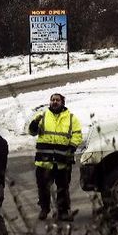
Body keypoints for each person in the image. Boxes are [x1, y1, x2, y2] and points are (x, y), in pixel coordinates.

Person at [28, 93, 83, 221]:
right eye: (52, 100)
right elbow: (32, 132)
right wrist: (35, 122)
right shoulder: (43, 116)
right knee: (43, 188)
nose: (54, 102)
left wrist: (72, 147)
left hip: (62, 161)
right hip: (44, 161)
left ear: (63, 102)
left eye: (57, 100)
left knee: (62, 188)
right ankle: (44, 208)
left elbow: (77, 135)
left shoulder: (71, 118)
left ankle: (63, 212)